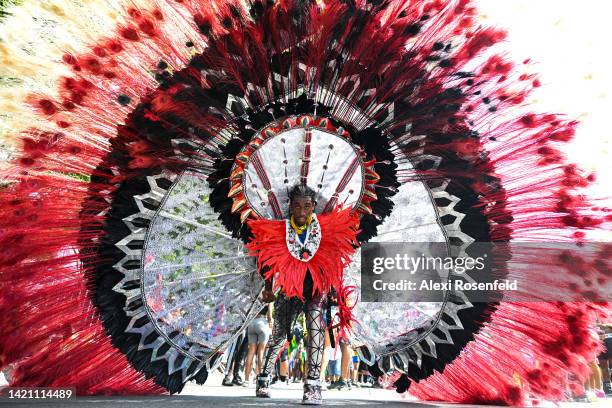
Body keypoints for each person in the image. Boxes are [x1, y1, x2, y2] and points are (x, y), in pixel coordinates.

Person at [248, 184, 358, 405]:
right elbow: (268, 258)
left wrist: (335, 290)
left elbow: (335, 259)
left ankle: (313, 384)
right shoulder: (281, 228)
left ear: (314, 207)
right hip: (290, 289)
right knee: (279, 336)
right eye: (297, 206)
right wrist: (268, 288)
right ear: (290, 206)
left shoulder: (325, 228)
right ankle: (263, 378)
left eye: (306, 207)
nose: (301, 212)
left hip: (317, 289)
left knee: (316, 330)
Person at [243, 304, 273, 386]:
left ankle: (246, 379)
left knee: (251, 352)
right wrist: (270, 325)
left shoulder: (254, 293)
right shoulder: (269, 296)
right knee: (261, 352)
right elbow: (270, 316)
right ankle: (260, 378)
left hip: (251, 323)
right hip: (262, 322)